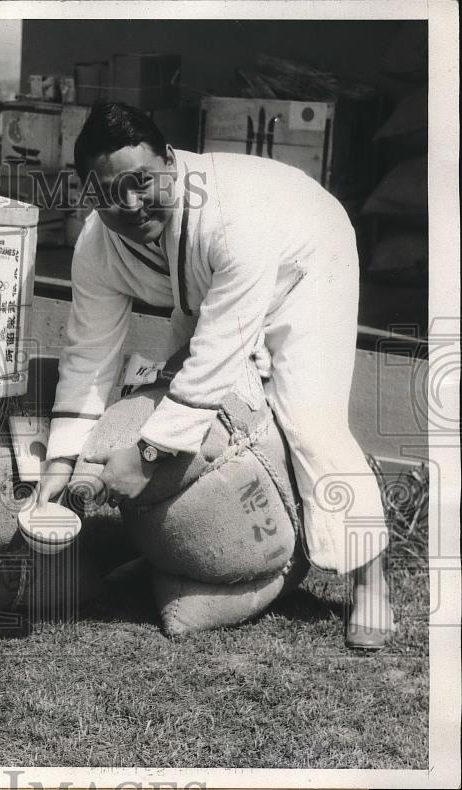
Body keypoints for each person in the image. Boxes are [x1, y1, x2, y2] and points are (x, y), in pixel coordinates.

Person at [33, 102, 394, 649]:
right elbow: (89, 357)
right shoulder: (96, 243)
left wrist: (147, 455)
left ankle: (371, 578)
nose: (129, 204)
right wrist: (61, 463)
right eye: (109, 192)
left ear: (171, 161)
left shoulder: (231, 215)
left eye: (142, 182)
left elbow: (218, 359)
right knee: (187, 419)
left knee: (308, 420)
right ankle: (173, 553)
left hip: (309, 258)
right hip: (209, 284)